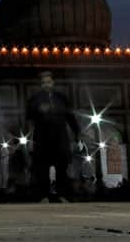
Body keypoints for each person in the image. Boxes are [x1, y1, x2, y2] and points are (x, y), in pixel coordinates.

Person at [25, 70, 81, 203]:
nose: (46, 84)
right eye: (43, 82)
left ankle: (62, 195)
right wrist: (38, 109)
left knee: (62, 168)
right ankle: (43, 196)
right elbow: (28, 117)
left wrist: (77, 133)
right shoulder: (35, 99)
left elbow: (70, 117)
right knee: (42, 170)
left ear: (53, 82)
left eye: (48, 82)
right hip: (42, 139)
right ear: (40, 84)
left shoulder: (61, 98)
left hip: (60, 139)